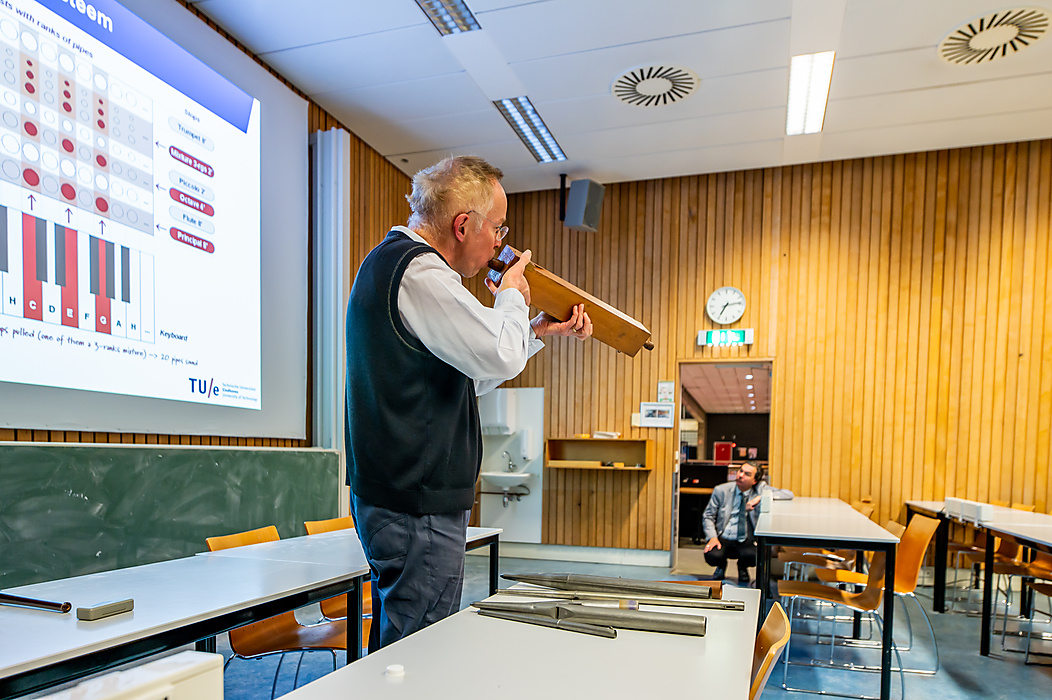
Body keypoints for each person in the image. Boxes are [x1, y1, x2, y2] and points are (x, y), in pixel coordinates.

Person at [344, 155, 593, 652]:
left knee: (407, 642)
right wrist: (514, 295)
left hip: (406, 496)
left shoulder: (399, 267)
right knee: (420, 651)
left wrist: (534, 331)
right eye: (498, 229)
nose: (499, 242)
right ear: (463, 225)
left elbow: (463, 377)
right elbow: (498, 355)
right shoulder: (419, 273)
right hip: (416, 501)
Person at [701, 462, 793, 584]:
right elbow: (708, 515)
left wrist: (761, 497)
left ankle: (742, 567)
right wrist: (712, 537)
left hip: (746, 538)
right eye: (741, 471)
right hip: (724, 536)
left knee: (755, 556)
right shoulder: (721, 490)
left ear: (755, 481)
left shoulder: (760, 489)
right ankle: (721, 566)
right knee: (712, 555)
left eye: (747, 474)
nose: (740, 475)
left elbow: (788, 494)